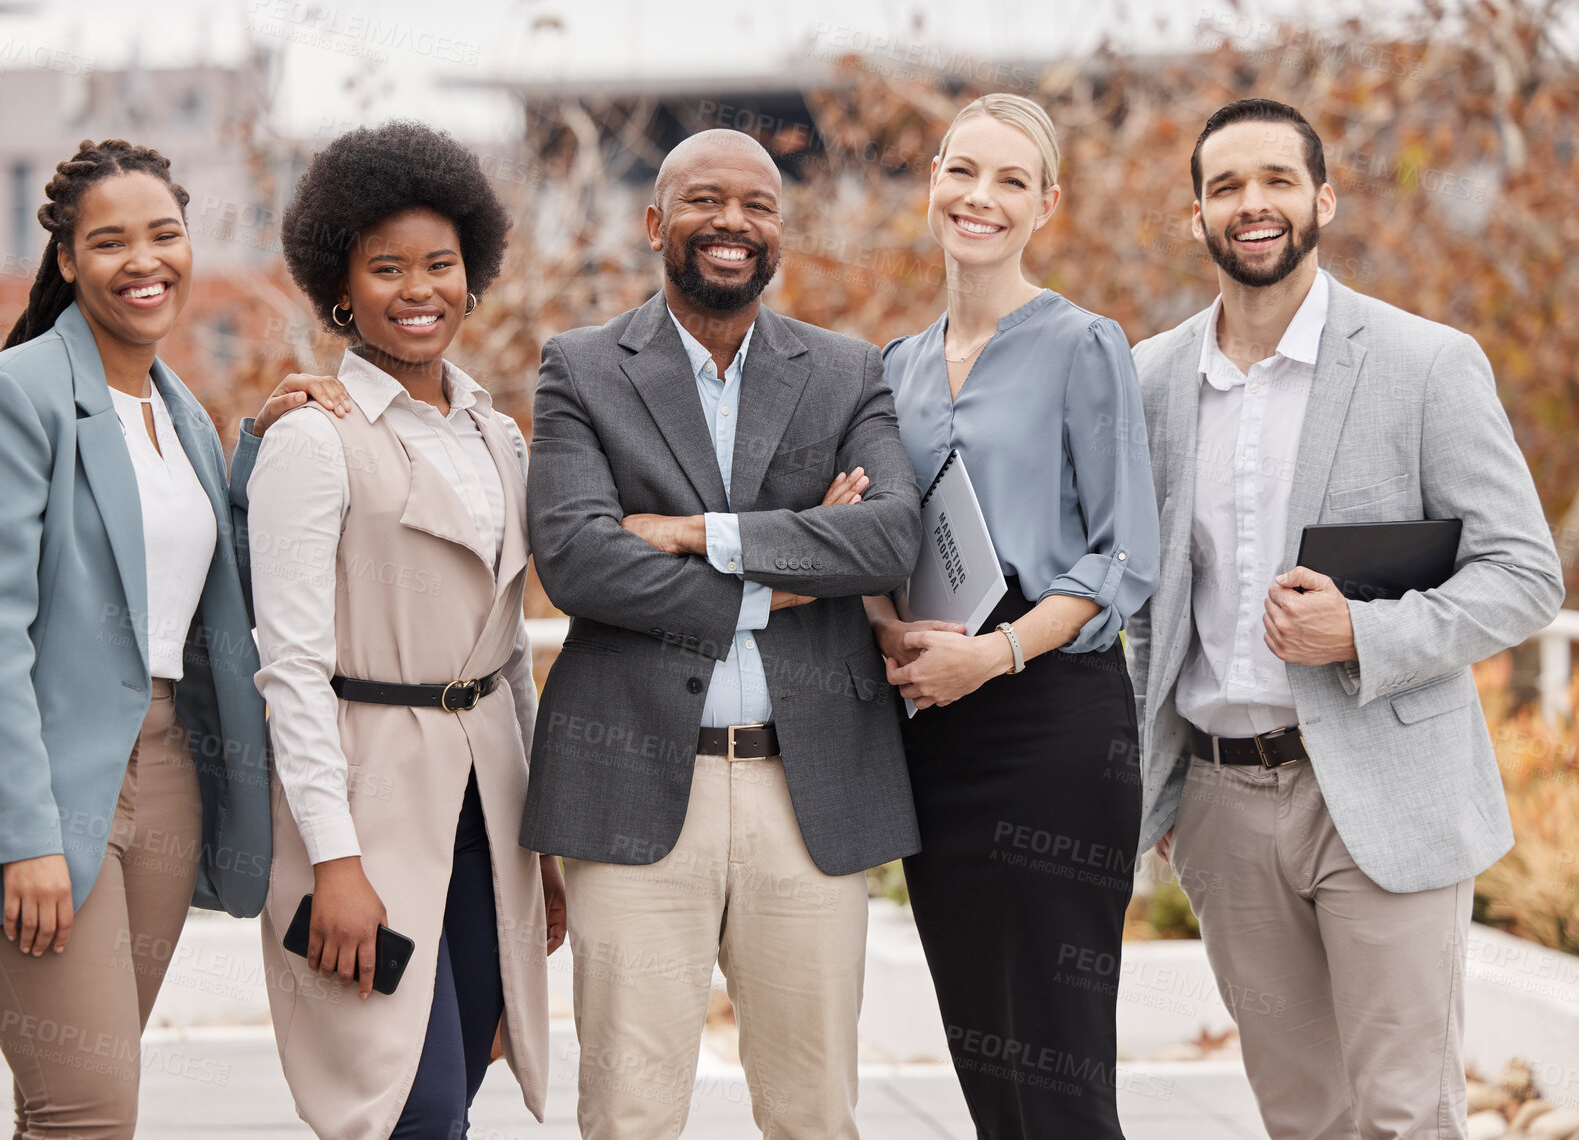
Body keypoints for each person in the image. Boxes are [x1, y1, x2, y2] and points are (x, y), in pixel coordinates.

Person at [1128, 97, 1565, 1138]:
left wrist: (1364, 636)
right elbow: (1145, 606)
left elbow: (1524, 572)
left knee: (1404, 1115)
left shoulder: (1426, 364)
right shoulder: (1148, 381)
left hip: (1382, 790)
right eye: (1226, 186)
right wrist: (1157, 791)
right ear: (1196, 216)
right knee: (1302, 1115)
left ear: (1322, 198)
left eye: (1277, 178)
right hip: (1222, 807)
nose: (1253, 203)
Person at [0, 139, 281, 1140]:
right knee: (89, 1113)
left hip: (166, 777)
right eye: (110, 242)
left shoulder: (182, 414)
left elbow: (197, 575)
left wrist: (267, 437)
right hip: (37, 797)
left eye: (165, 235)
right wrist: (25, 837)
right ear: (66, 261)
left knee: (61, 1108)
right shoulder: (13, 397)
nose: (144, 261)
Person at [520, 127, 922, 1139]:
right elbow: (576, 560)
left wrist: (701, 536)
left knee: (811, 1112)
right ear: (656, 222)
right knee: (628, 1110)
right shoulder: (580, 369)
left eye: (757, 205)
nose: (732, 222)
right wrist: (781, 579)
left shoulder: (847, 372)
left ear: (779, 230)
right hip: (634, 784)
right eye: (705, 200)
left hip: (810, 787)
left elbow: (888, 539)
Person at [228, 122, 565, 1140]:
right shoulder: (312, 438)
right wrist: (334, 861)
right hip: (366, 809)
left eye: (439, 265)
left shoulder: (498, 433)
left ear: (473, 277)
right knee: (401, 1109)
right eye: (386, 267)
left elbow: (509, 655)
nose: (417, 289)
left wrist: (546, 847)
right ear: (342, 284)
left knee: (454, 1095)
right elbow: (288, 669)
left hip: (488, 811)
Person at [862, 94, 1159, 1139]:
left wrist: (989, 658)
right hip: (934, 724)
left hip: (1050, 717)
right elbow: (869, 540)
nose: (979, 198)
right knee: (982, 1040)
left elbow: (1125, 557)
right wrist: (889, 625)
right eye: (962, 170)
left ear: (1047, 207)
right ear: (932, 178)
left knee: (1060, 1053)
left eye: (1011, 181)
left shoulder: (1086, 345)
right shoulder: (889, 366)